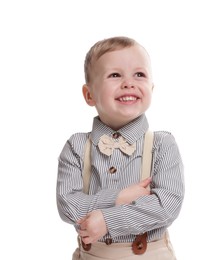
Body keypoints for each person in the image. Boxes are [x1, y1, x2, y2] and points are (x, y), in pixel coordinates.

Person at [56, 36, 184, 260]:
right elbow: (68, 205)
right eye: (115, 75)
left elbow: (166, 204)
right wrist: (119, 197)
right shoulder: (76, 146)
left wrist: (107, 220)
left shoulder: (162, 144)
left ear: (151, 88)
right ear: (89, 95)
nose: (129, 83)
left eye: (139, 74)